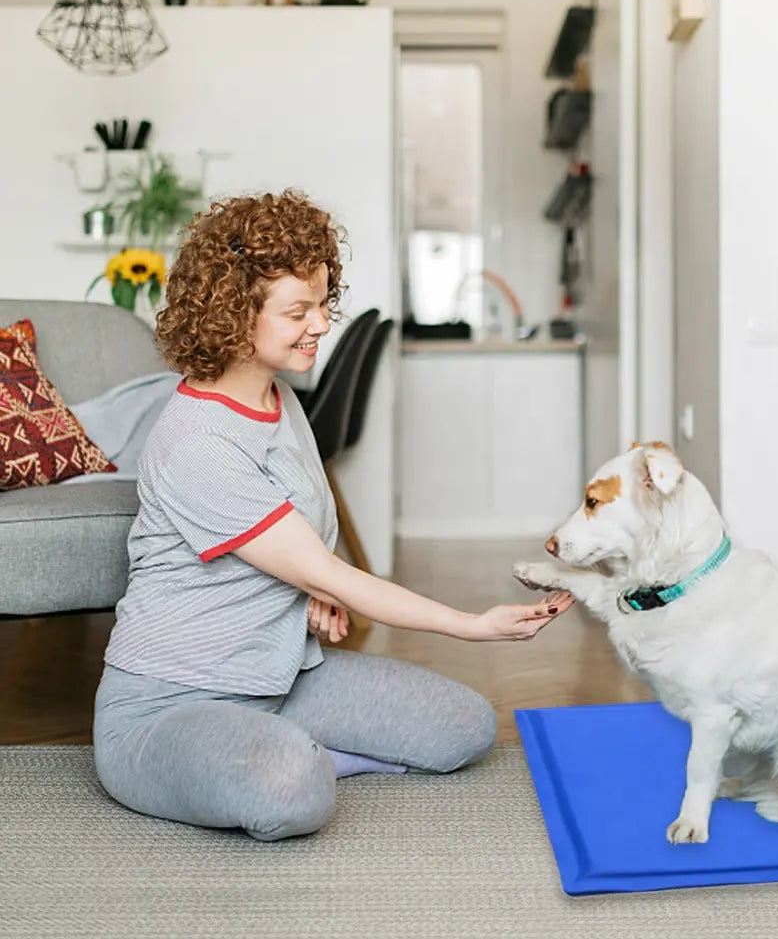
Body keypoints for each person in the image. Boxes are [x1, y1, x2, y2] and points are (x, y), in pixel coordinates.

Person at [93, 190, 572, 841]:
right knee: (292, 787)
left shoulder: (280, 398)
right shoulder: (198, 443)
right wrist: (472, 624)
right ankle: (290, 757)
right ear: (235, 316)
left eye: (323, 303)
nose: (321, 324)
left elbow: (311, 539)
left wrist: (313, 586)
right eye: (299, 311)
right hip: (167, 707)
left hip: (285, 679)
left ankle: (284, 744)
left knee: (466, 727)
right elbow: (329, 566)